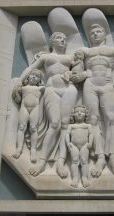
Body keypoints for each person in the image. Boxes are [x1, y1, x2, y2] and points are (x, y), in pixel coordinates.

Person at [70, 24, 114, 177]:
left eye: (98, 31)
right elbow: (76, 69)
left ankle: (113, 158)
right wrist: (82, 74)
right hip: (90, 85)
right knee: (93, 120)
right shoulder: (85, 51)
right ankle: (100, 157)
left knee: (110, 118)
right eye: (92, 33)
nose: (95, 34)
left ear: (104, 34)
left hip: (107, 84)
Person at [19, 32, 78, 177]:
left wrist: (73, 74)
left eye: (64, 38)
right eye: (59, 38)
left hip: (68, 89)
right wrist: (20, 82)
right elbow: (30, 69)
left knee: (65, 125)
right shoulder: (45, 56)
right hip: (52, 89)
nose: (63, 40)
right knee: (55, 123)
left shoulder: (70, 58)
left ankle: (61, 162)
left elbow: (80, 70)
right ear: (52, 41)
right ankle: (42, 161)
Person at [12, 69, 45, 163]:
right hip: (24, 108)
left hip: (35, 109)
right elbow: (18, 100)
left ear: (39, 80)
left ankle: (33, 150)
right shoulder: (23, 88)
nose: (34, 77)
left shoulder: (40, 88)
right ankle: (19, 148)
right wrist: (16, 92)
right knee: (21, 127)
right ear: (28, 76)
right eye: (32, 75)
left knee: (34, 128)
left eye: (37, 76)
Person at [65, 105, 93, 188]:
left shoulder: (88, 126)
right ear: (73, 115)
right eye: (77, 112)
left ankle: (84, 178)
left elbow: (91, 134)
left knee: (84, 161)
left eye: (82, 112)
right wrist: (68, 143)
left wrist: (90, 143)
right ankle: (75, 178)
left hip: (85, 146)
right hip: (73, 146)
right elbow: (67, 134)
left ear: (85, 114)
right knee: (74, 161)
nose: (79, 113)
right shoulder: (71, 126)